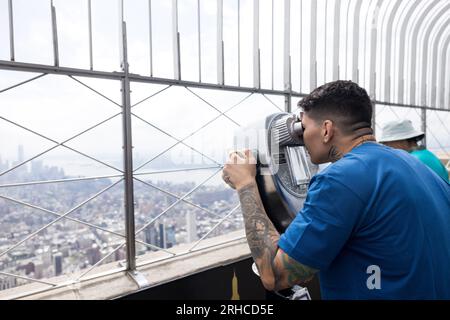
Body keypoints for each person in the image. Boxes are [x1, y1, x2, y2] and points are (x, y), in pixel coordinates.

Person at [222, 80, 450, 299]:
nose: (302, 139)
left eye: (304, 128)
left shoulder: (339, 180)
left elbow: (275, 275)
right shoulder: (416, 166)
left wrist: (246, 185)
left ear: (326, 130)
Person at [379, 119, 449, 183]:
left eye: (387, 143)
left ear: (402, 140)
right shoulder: (427, 154)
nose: (386, 147)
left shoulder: (411, 160)